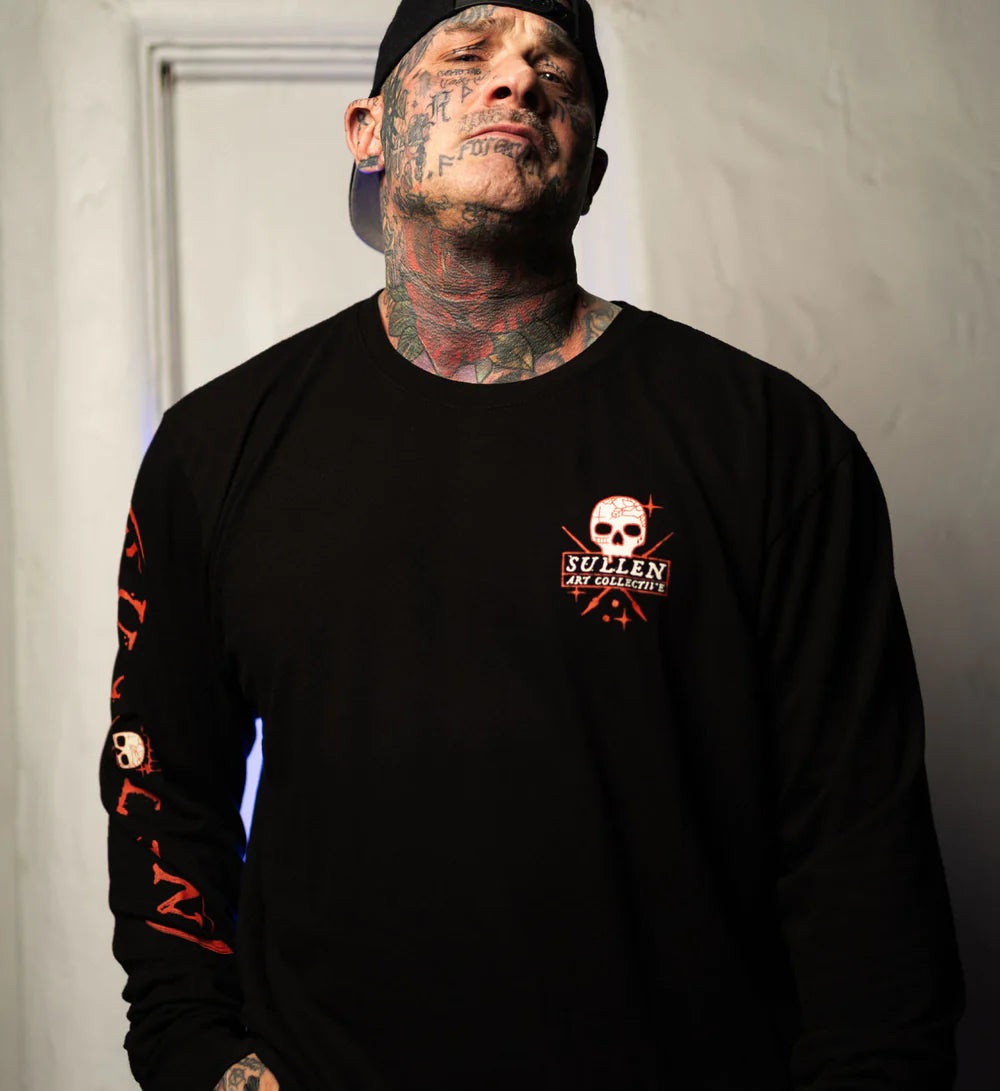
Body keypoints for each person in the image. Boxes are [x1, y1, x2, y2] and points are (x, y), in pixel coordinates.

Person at [100, 2, 964, 1089]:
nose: (515, 81)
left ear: (589, 173)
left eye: (554, 73)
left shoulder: (770, 441)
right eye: (468, 55)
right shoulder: (214, 448)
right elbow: (160, 786)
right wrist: (202, 1056)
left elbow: (860, 849)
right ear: (368, 131)